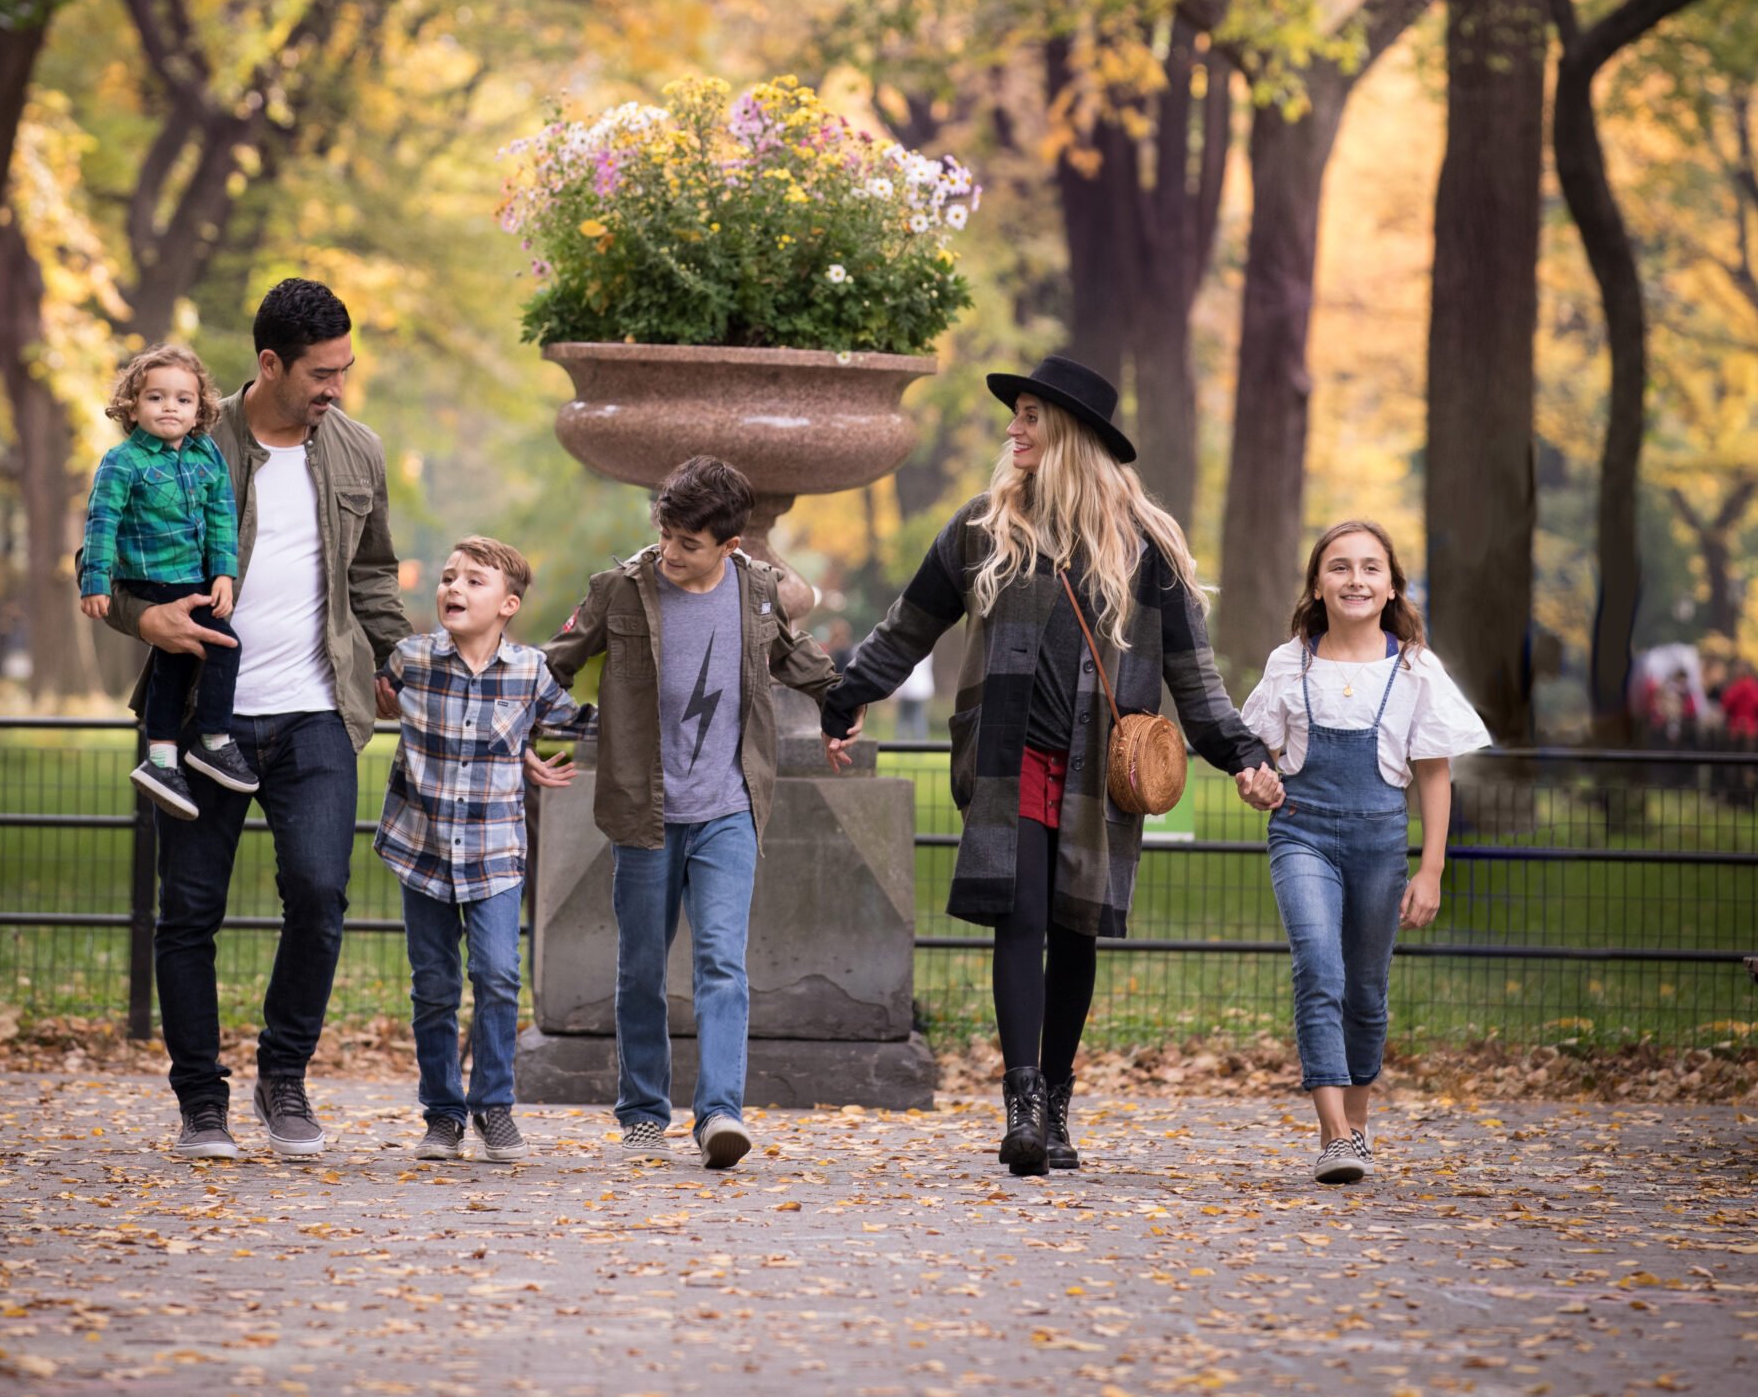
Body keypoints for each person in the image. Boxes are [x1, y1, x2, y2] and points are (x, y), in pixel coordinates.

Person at [820, 352, 1280, 1178]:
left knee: (1074, 931)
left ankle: (1060, 1101)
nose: (1014, 428)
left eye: (1031, 415)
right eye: (1017, 414)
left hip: (1097, 768)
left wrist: (1242, 755)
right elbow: (907, 628)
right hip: (1007, 759)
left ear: (1068, 432)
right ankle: (1023, 1104)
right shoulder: (981, 528)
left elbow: (1196, 680)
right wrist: (849, 693)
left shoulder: (1146, 548)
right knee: (1020, 916)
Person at [99, 278, 411, 1163]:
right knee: (189, 910)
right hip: (205, 714)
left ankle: (285, 1075)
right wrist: (142, 618)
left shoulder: (358, 452)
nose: (336, 388)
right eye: (321, 373)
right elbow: (107, 557)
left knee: (320, 895)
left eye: (345, 370)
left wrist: (396, 661)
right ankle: (202, 1101)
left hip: (318, 714)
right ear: (268, 364)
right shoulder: (182, 442)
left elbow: (374, 577)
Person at [544, 453, 848, 1170]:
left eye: (689, 543)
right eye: (665, 535)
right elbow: (552, 664)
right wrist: (545, 730)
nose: (671, 553)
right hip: (643, 809)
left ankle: (719, 1114)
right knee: (642, 966)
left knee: (720, 961)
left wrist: (846, 708)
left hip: (728, 807)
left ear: (729, 546)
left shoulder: (758, 593)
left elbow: (800, 663)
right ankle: (645, 1111)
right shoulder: (619, 589)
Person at [1239, 519, 1487, 1185]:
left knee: (1367, 993)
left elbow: (1434, 774)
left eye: (1370, 568)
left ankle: (1356, 1129)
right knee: (1319, 971)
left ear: (1390, 585)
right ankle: (1335, 1136)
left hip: (1381, 843)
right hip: (1302, 834)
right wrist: (1254, 784)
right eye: (1340, 567)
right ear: (1318, 584)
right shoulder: (1287, 662)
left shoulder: (1414, 669)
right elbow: (1254, 760)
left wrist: (1431, 869)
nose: (1355, 579)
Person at [374, 536, 594, 1165]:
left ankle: (493, 1107)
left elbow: (576, 723)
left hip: (496, 853)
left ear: (508, 604)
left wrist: (659, 718)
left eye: (474, 581)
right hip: (423, 850)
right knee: (435, 986)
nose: (454, 589)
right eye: (449, 578)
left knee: (498, 976)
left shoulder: (529, 672)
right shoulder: (411, 660)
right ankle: (442, 1115)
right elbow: (364, 698)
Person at [79, 343, 251, 818]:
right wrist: (94, 580)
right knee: (224, 645)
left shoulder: (206, 456)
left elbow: (221, 517)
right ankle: (214, 739)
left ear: (200, 408)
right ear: (132, 406)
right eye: (156, 398)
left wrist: (224, 574)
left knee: (172, 666)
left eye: (182, 399)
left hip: (193, 578)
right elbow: (101, 522)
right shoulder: (123, 461)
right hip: (152, 579)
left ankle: (161, 760)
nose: (169, 407)